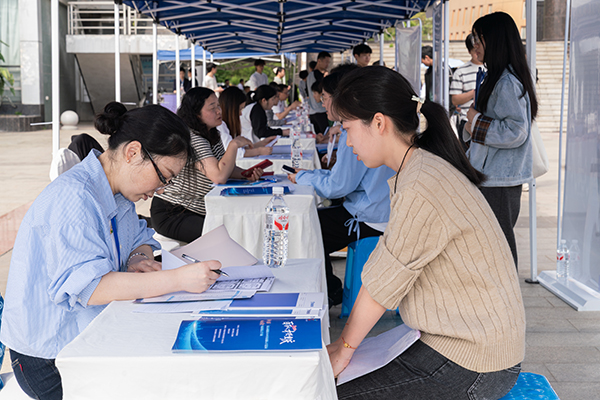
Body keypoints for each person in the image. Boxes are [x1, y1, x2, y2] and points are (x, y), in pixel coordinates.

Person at [328, 66, 525, 399]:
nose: (347, 142)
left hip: (475, 362)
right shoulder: (420, 168)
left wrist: (344, 349)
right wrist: (344, 346)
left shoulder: (421, 184)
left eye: (348, 128)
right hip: (461, 345)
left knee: (332, 393)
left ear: (379, 123)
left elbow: (381, 285)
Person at [1, 102, 223, 399]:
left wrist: (139, 258)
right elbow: (91, 288)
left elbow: (141, 239)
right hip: (50, 356)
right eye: (163, 176)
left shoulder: (117, 193)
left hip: (90, 332)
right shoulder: (74, 198)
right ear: (133, 152)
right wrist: (178, 279)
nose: (161, 189)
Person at [288, 63, 394, 306]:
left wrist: (304, 177)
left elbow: (339, 186)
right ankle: (330, 289)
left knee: (306, 227)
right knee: (315, 219)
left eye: (326, 97)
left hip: (370, 218)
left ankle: (328, 292)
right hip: (378, 210)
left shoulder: (355, 132)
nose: (322, 103)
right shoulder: (369, 125)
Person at [465, 12, 537, 268]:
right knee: (492, 245)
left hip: (499, 180)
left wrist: (475, 121)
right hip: (493, 176)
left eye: (479, 39)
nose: (474, 45)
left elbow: (516, 131)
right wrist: (472, 125)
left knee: (498, 246)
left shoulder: (506, 81)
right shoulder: (498, 77)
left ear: (495, 40)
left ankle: (506, 293)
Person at [151, 88, 262, 243]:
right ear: (196, 113)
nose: (219, 111)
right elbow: (219, 176)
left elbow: (224, 169)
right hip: (174, 212)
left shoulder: (212, 133)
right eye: (212, 108)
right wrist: (233, 145)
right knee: (228, 238)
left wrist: (246, 174)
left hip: (195, 210)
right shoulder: (192, 138)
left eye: (218, 106)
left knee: (239, 228)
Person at [450, 34, 486, 148]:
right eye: (474, 50)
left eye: (480, 47)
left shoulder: (492, 69)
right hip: (467, 121)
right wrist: (475, 91)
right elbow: (455, 100)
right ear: (469, 51)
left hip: (486, 122)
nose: (477, 52)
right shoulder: (461, 72)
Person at [218, 86, 274, 158]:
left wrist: (262, 143)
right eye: (240, 109)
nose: (241, 114)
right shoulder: (220, 126)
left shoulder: (225, 125)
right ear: (231, 109)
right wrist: (259, 151)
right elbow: (232, 152)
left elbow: (240, 149)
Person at [307, 51, 331, 134]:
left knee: (319, 137)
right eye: (326, 62)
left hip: (313, 112)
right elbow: (319, 91)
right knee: (326, 136)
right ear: (319, 61)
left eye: (328, 62)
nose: (327, 64)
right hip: (320, 111)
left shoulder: (311, 75)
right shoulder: (317, 75)